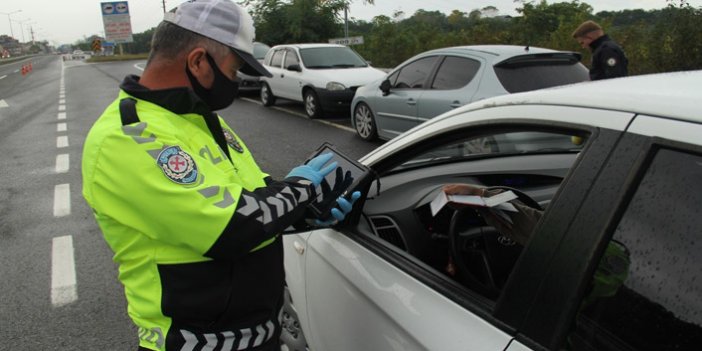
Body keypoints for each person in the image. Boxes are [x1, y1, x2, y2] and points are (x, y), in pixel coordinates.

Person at [81, 1, 360, 350]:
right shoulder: (126, 137)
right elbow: (231, 228)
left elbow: (254, 200)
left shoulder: (199, 120)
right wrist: (302, 189)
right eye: (234, 69)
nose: (238, 80)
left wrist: (305, 214)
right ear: (198, 61)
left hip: (259, 335)